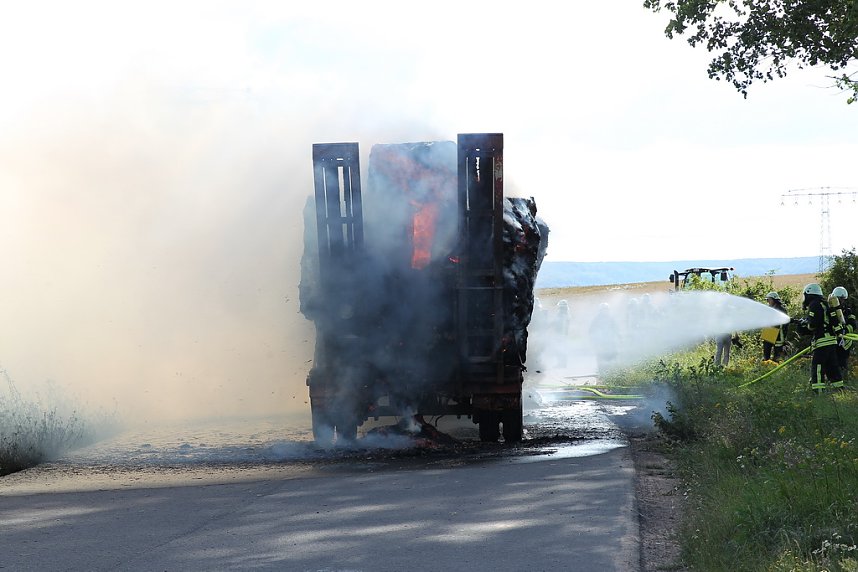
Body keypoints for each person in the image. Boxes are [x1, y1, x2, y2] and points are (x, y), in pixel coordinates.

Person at [795, 283, 843, 392]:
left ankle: (818, 393)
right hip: (831, 341)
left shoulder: (814, 304)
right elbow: (823, 321)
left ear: (809, 294)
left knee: (818, 368)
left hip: (822, 343)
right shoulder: (824, 303)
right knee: (832, 368)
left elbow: (813, 325)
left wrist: (805, 324)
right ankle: (839, 391)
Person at [830, 286, 855, 380]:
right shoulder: (829, 310)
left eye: (842, 299)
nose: (841, 301)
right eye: (839, 299)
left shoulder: (847, 311)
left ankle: (844, 380)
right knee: (830, 362)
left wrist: (845, 330)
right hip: (832, 341)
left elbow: (853, 325)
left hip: (844, 343)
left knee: (842, 362)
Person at [589, 302, 617, 374]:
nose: (605, 311)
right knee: (601, 359)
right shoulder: (596, 319)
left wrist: (618, 339)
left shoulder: (611, 318)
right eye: (603, 309)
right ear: (600, 310)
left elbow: (616, 329)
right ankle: (601, 374)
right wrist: (595, 341)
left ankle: (610, 374)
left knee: (610, 359)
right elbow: (591, 331)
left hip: (610, 343)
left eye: (606, 309)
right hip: (600, 343)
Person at [762, 291, 789, 361]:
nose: (768, 301)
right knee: (766, 350)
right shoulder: (768, 309)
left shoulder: (781, 310)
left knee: (777, 353)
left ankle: (776, 363)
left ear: (774, 300)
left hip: (778, 333)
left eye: (769, 300)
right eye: (767, 300)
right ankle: (766, 364)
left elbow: (783, 324)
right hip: (769, 331)